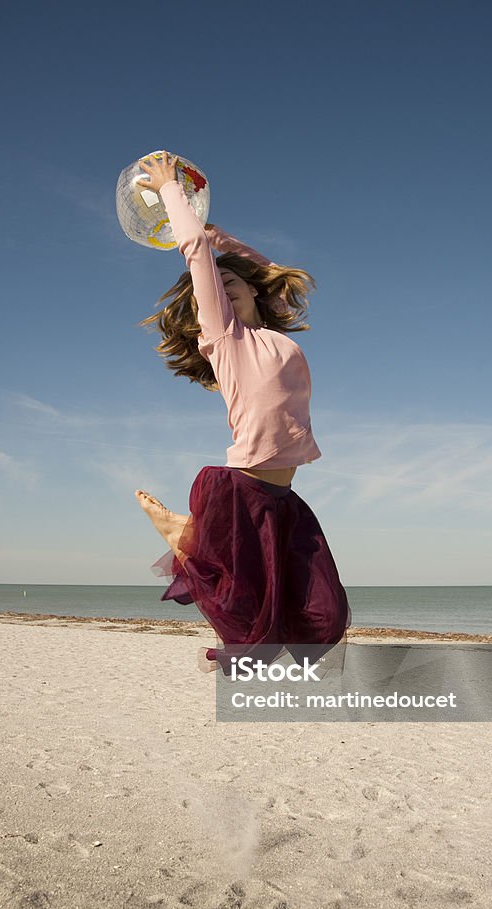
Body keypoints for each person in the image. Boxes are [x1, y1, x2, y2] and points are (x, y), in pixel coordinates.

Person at [134, 151, 351, 674]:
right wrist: (172, 194)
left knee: (325, 611)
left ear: (253, 288)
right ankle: (189, 538)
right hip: (244, 490)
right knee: (241, 604)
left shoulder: (271, 336)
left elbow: (259, 267)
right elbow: (195, 257)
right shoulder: (225, 339)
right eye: (218, 285)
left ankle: (194, 539)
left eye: (235, 282)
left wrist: (218, 236)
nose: (224, 287)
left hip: (283, 497)